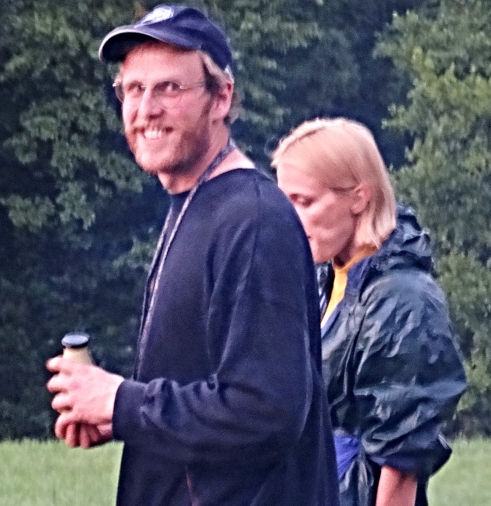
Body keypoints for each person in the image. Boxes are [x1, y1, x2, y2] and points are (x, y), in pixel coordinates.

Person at [46, 5, 339, 506]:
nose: (146, 109)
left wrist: (123, 402)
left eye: (169, 88)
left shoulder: (253, 221)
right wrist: (115, 415)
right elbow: (203, 392)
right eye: (133, 89)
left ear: (220, 97)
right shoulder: (194, 204)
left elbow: (265, 411)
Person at [272, 117, 466, 506]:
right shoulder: (328, 278)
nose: (289, 218)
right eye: (284, 201)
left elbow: (402, 460)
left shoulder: (403, 301)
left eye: (304, 202)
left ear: (359, 198)